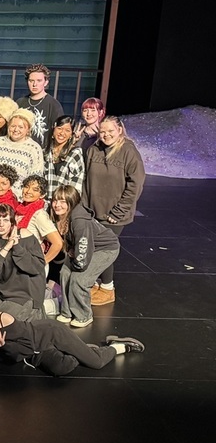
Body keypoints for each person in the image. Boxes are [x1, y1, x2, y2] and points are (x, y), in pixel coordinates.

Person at [0, 294, 144, 377]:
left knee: (95, 363)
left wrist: (4, 346)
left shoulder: (3, 318)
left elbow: (23, 349)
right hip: (37, 352)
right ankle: (84, 350)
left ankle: (119, 346)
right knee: (61, 368)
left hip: (48, 334)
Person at [83, 115, 145, 306]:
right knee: (92, 248)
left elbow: (136, 185)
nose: (106, 135)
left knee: (104, 249)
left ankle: (108, 288)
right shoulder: (94, 149)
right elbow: (85, 179)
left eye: (111, 131)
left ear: (119, 130)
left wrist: (118, 212)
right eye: (103, 131)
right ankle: (93, 283)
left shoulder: (128, 152)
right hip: (93, 210)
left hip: (114, 215)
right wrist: (85, 207)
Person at [51, 184, 121, 328]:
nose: (57, 205)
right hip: (86, 247)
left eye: (63, 201)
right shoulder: (58, 216)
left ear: (71, 202)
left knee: (79, 279)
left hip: (105, 249)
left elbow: (84, 245)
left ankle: (83, 315)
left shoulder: (79, 220)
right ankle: (66, 312)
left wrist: (78, 264)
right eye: (55, 200)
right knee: (64, 273)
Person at [0, 202, 47, 315]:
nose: (1, 225)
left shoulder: (24, 235)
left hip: (25, 294)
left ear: (12, 222)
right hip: (1, 291)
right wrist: (7, 247)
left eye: (5, 220)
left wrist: (16, 246)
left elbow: (36, 267)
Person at [0, 109, 43, 197]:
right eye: (13, 126)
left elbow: (35, 178)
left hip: (16, 199)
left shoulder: (34, 148)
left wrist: (20, 196)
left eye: (21, 127)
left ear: (28, 129)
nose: (16, 129)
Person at [16, 63, 64, 149]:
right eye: (31, 81)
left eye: (39, 81)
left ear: (46, 82)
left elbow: (60, 131)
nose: (35, 84)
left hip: (43, 153)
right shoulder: (20, 103)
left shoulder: (54, 105)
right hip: (20, 150)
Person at [45, 115, 85, 196]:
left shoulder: (75, 153)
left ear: (71, 135)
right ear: (53, 130)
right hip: (44, 201)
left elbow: (76, 185)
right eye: (59, 128)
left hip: (64, 202)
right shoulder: (45, 152)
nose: (62, 133)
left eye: (67, 130)